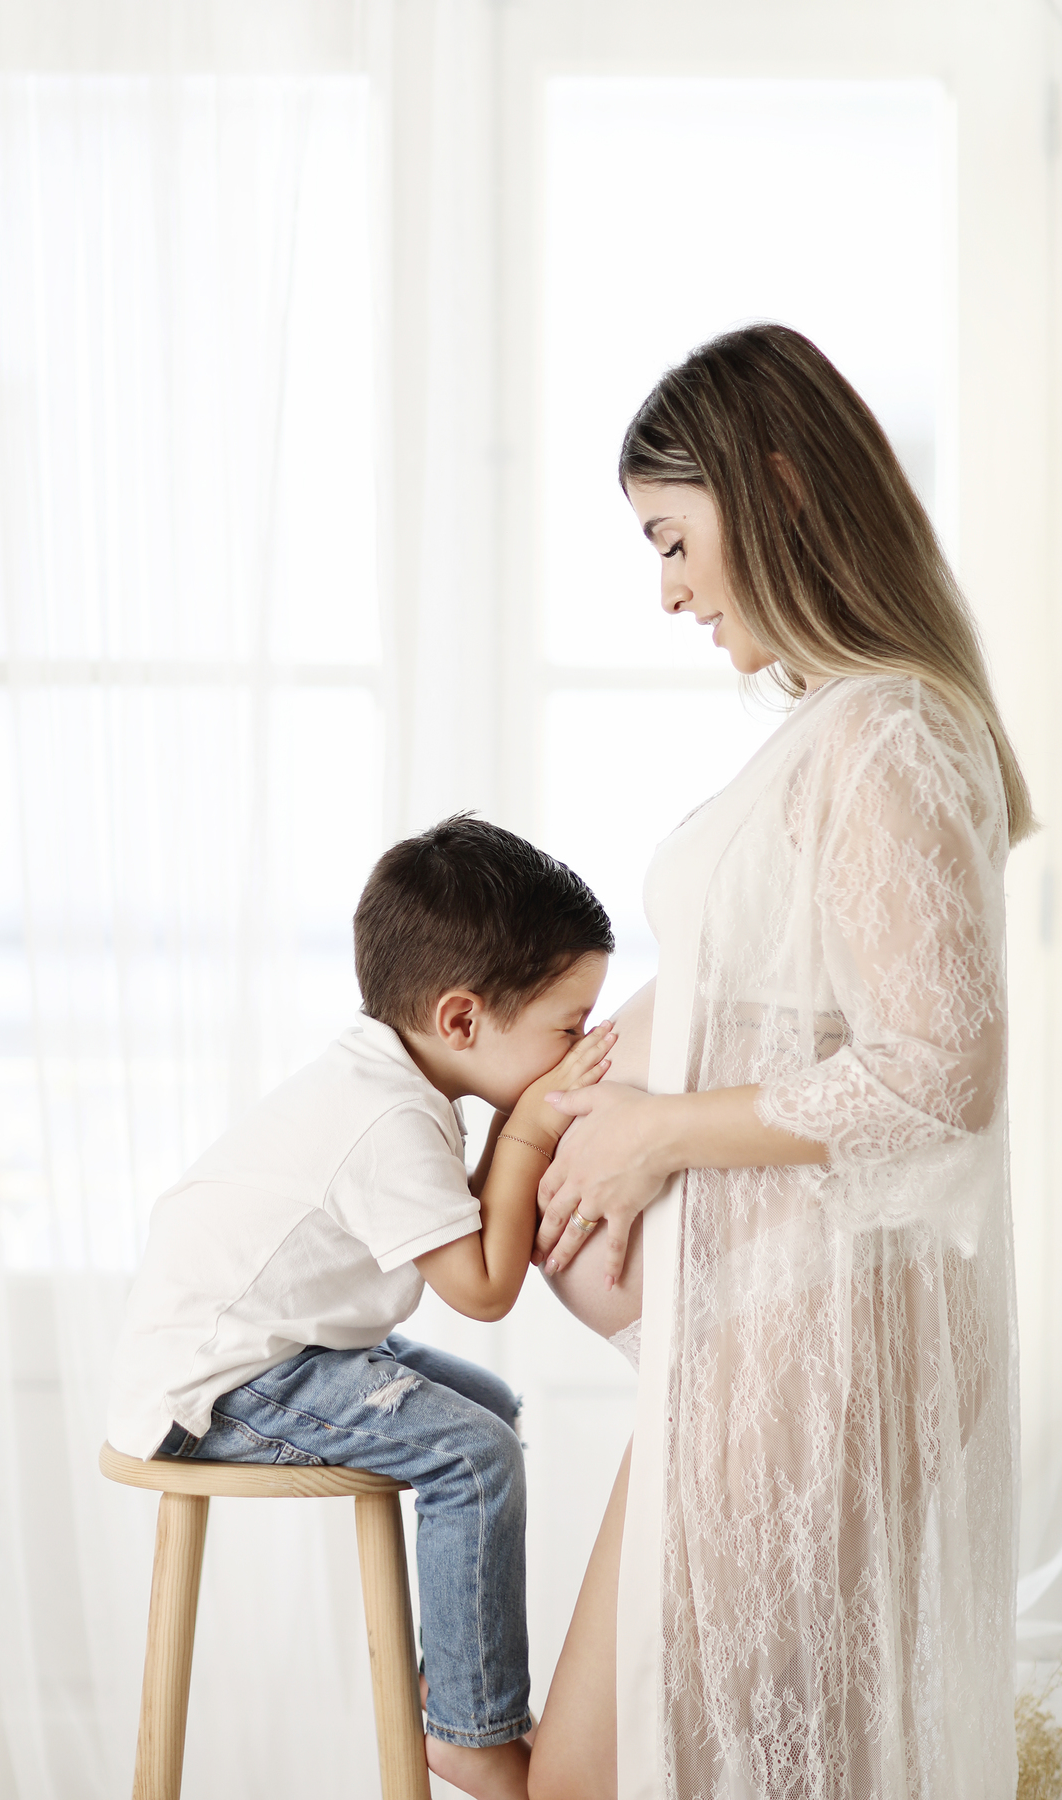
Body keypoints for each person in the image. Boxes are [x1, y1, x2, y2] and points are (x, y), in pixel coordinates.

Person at [525, 324, 1029, 1800]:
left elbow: (940, 1069)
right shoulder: (838, 731)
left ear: (781, 489)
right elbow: (799, 991)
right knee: (629, 1768)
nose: (668, 590)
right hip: (764, 1331)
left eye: (674, 540)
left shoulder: (884, 731)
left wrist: (656, 1131)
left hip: (818, 1336)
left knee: (634, 1774)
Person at [106, 814, 616, 1800]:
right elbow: (481, 1287)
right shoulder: (384, 1114)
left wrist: (522, 1124)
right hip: (222, 1386)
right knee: (475, 1453)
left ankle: (451, 1673)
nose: (577, 1050)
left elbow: (455, 1227)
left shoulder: (391, 1078)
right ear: (463, 1019)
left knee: (490, 1414)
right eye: (567, 1027)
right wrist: (527, 1133)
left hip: (279, 1351)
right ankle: (469, 1728)